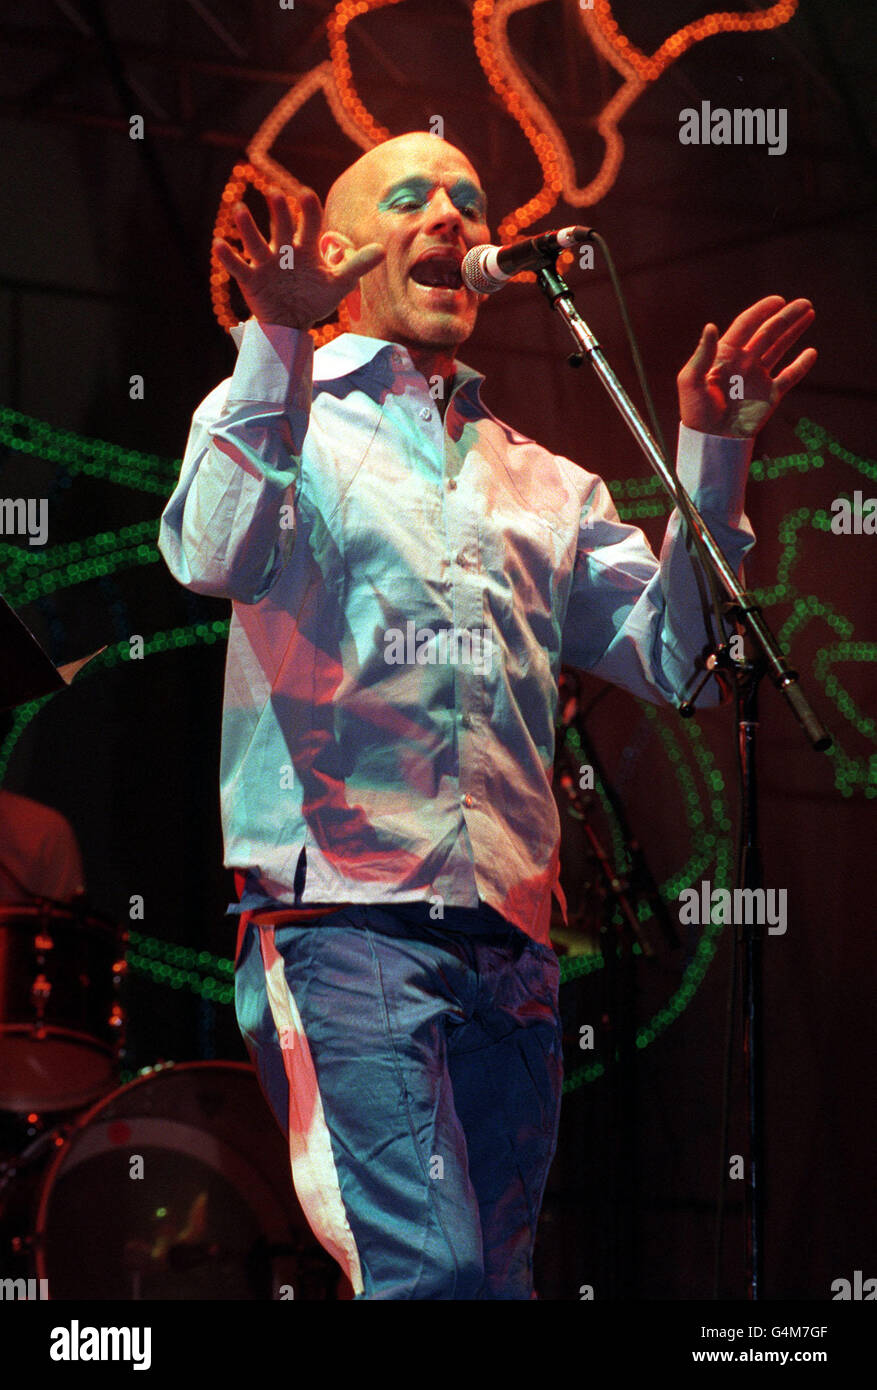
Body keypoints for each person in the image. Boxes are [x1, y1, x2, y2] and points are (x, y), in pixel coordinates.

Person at [158, 131, 816, 1300]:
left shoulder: (544, 482)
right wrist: (277, 340)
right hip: (343, 914)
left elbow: (687, 661)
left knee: (494, 1282)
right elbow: (211, 552)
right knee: (431, 1273)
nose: (454, 218)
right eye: (410, 198)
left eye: (468, 199)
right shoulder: (283, 413)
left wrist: (712, 454)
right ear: (340, 250)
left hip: (511, 938)